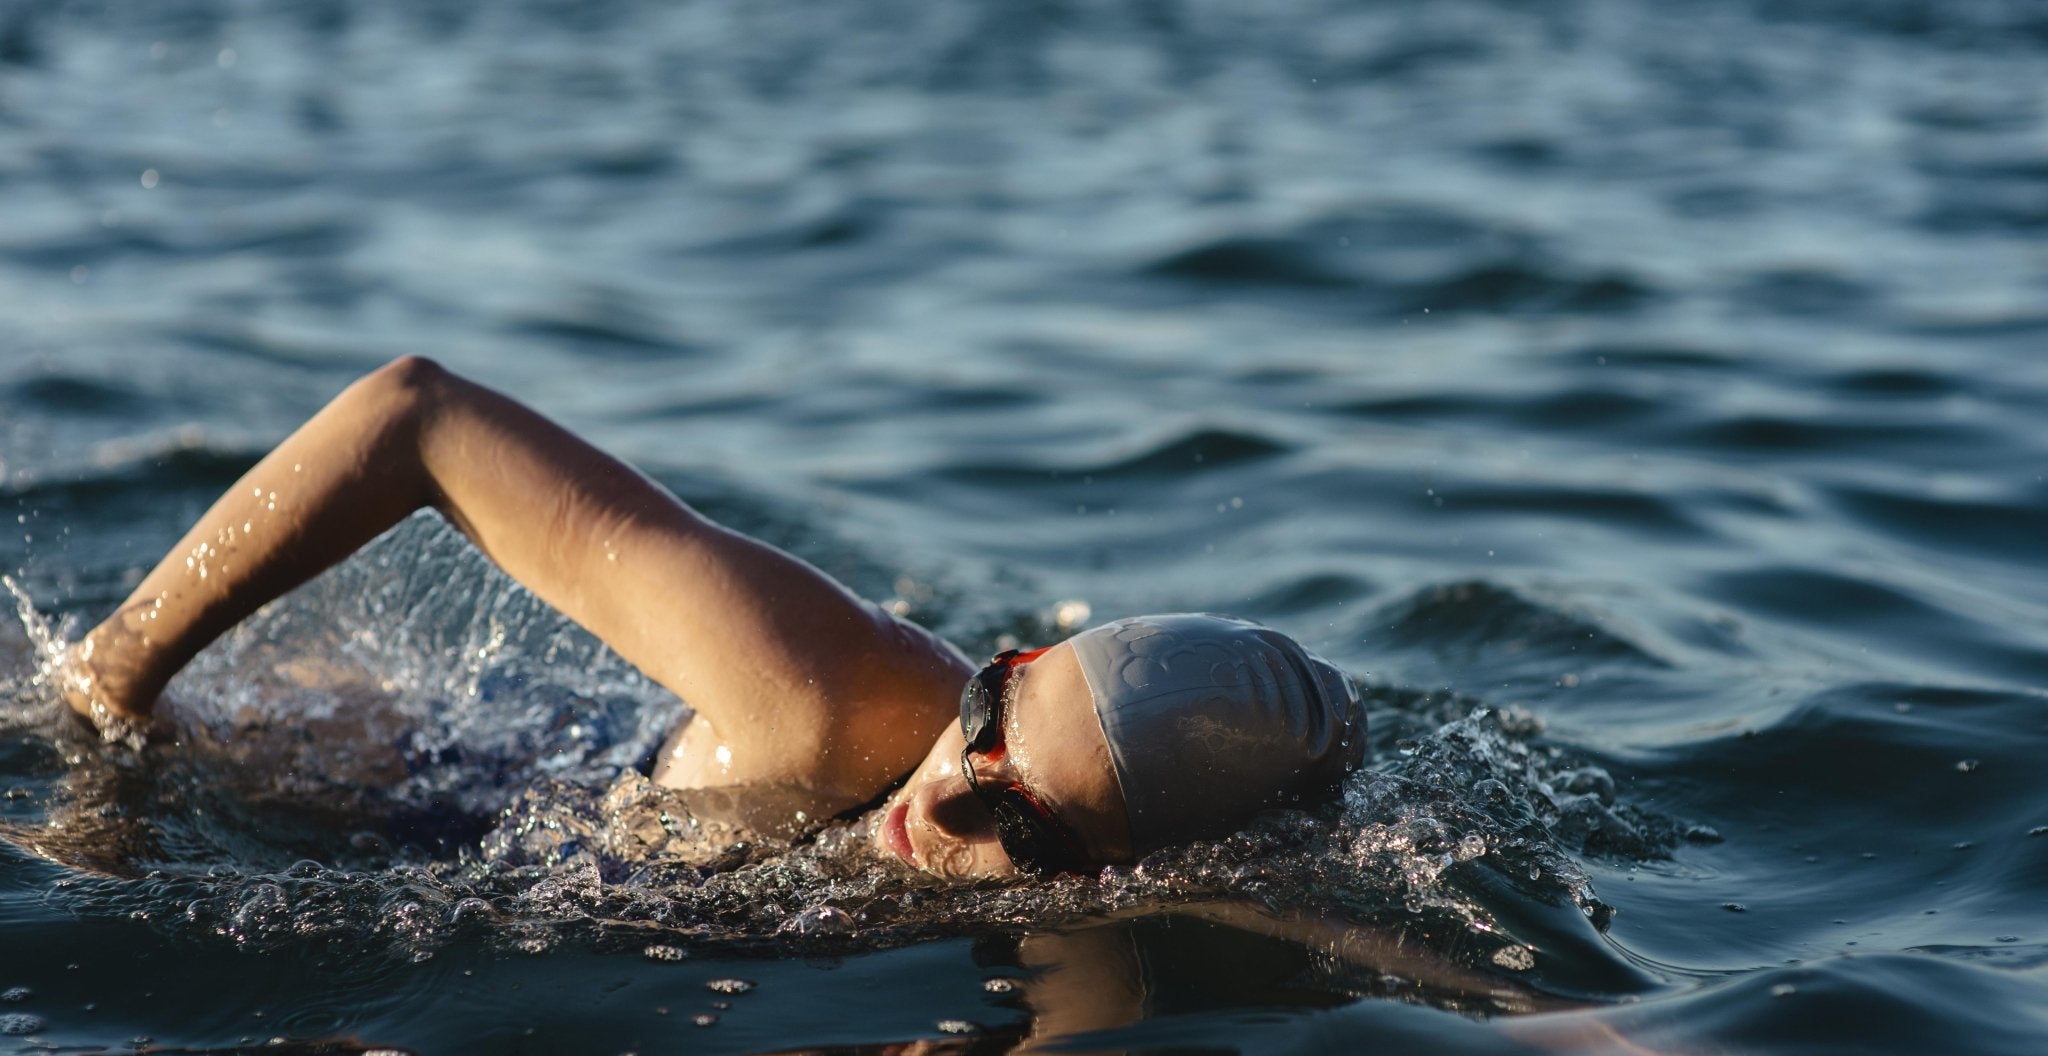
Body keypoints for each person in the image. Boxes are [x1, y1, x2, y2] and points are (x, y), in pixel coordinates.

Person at [59, 357, 1365, 879]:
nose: (946, 806)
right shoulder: (831, 697)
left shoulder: (1142, 877)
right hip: (395, 772)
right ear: (1003, 664)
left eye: (1020, 823)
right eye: (986, 718)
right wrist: (114, 689)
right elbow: (415, 416)